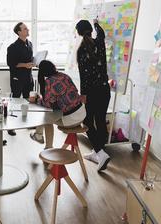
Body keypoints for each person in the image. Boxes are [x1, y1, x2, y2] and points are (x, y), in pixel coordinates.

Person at [75, 19, 111, 171]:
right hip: (104, 89)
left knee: (87, 122)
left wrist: (83, 94)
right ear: (90, 30)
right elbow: (101, 34)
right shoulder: (100, 43)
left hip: (92, 92)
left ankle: (100, 153)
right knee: (101, 121)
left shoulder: (82, 50)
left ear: (78, 32)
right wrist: (97, 24)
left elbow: (84, 76)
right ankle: (99, 152)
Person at [30, 60, 86, 149]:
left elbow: (48, 104)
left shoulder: (49, 82)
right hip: (82, 113)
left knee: (46, 117)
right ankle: (38, 135)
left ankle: (47, 145)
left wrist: (37, 99)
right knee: (49, 113)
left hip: (72, 119)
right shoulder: (64, 75)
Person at [7, 22, 34, 136]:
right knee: (15, 101)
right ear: (19, 32)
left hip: (28, 77)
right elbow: (11, 63)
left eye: (27, 28)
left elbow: (29, 59)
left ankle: (26, 122)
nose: (28, 30)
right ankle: (10, 126)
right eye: (25, 28)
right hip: (17, 78)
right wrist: (25, 65)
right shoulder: (12, 47)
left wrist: (34, 62)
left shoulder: (30, 44)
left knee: (27, 100)